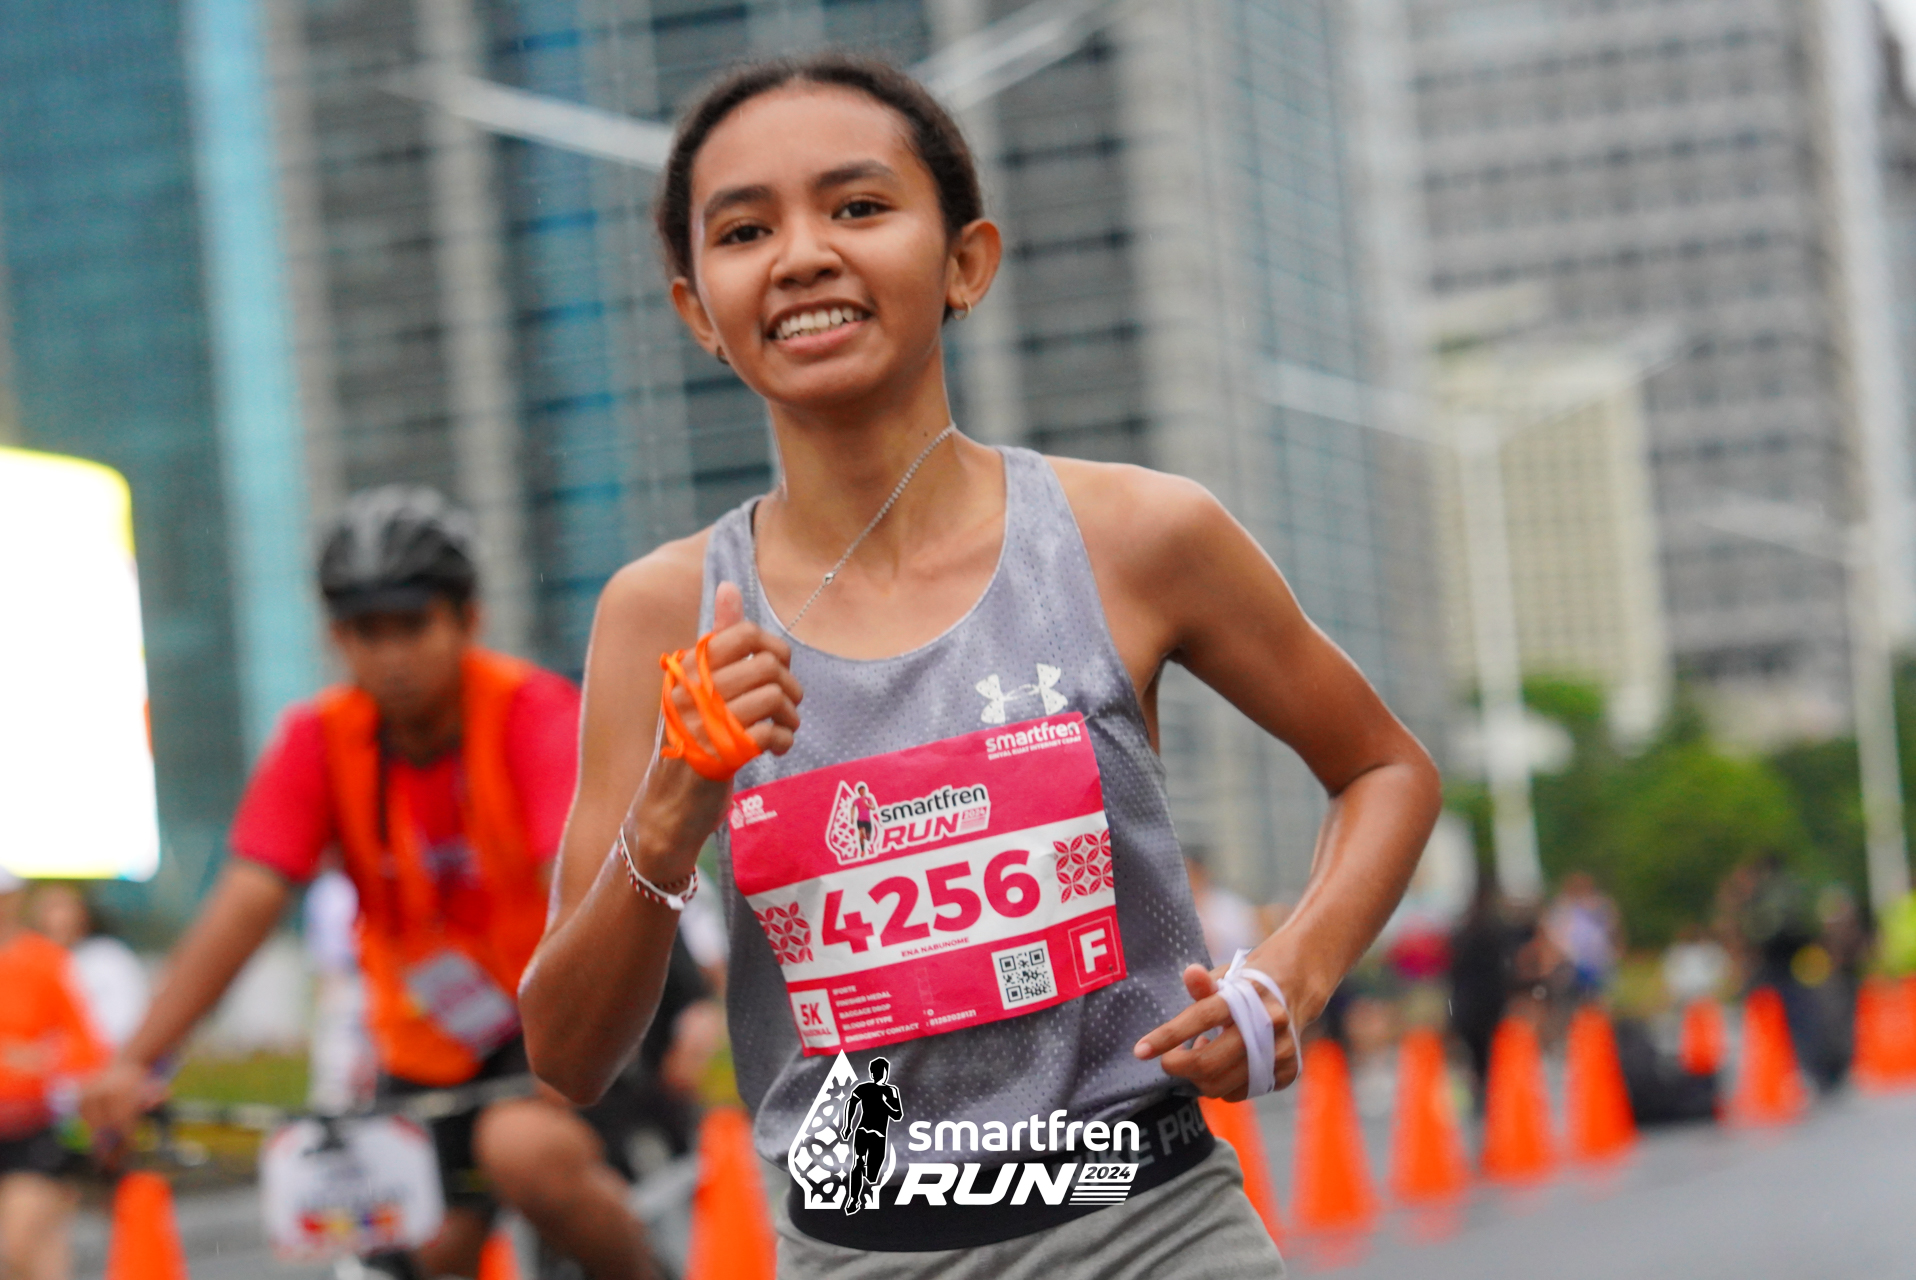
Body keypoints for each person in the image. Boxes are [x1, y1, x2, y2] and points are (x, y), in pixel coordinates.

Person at [517, 54, 1439, 1275]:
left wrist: (1289, 973)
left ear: (966, 261)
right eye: (744, 230)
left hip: (1149, 1222)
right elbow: (567, 1054)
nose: (801, 255)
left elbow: (1382, 768)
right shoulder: (662, 614)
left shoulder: (1131, 536)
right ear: (698, 309)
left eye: (857, 206)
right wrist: (671, 810)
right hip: (857, 1247)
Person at [79, 487, 651, 1280]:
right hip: (426, 1042)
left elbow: (580, 884)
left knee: (524, 1151)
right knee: (421, 1241)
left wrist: (571, 1048)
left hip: (566, 1009)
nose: (391, 655)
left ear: (468, 619)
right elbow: (244, 906)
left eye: (413, 625)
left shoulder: (536, 713)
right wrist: (135, 1062)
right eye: (364, 631)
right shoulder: (317, 740)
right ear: (335, 637)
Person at [0, 869, 108, 1280]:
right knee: (36, 1254)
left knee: (20, 1242)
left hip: (31, 1127)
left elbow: (87, 1047)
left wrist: (44, 1059)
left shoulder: (44, 960)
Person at [28, 882, 149, 1051]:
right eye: (47, 909)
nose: (56, 918)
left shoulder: (108, 958)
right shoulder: (28, 964)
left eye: (61, 908)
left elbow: (126, 1025)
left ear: (82, 917)